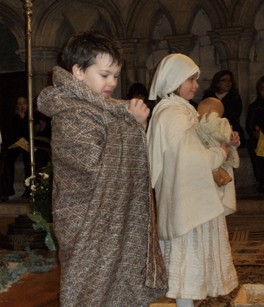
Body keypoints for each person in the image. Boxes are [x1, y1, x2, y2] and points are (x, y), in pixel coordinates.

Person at [37, 31, 167, 306]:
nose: (112, 82)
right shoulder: (71, 112)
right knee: (90, 293)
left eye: (116, 75)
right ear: (78, 71)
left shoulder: (108, 110)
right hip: (87, 223)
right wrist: (132, 126)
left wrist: (135, 126)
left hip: (114, 219)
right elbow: (91, 169)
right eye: (105, 74)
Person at [147, 53, 239, 307]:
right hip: (185, 200)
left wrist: (226, 143)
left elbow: (200, 143)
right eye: (191, 79)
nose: (196, 85)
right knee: (186, 260)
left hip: (194, 196)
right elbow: (186, 157)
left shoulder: (184, 111)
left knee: (193, 258)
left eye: (196, 80)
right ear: (175, 79)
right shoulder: (171, 115)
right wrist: (217, 154)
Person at [197, 97, 240, 203]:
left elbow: (226, 136)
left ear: (212, 112)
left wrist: (233, 140)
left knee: (218, 194)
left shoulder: (219, 123)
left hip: (220, 159)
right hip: (211, 160)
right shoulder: (201, 123)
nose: (198, 114)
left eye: (201, 111)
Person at [203, 70, 245, 146]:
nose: (228, 83)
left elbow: (233, 115)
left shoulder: (235, 97)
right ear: (217, 83)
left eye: (230, 80)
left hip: (231, 130)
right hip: (211, 132)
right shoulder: (208, 96)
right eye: (224, 80)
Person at [1, 96, 31, 201]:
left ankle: (29, 190)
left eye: (23, 103)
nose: (21, 106)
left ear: (27, 104)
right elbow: (13, 133)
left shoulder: (31, 116)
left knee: (28, 160)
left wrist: (24, 119)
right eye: (19, 104)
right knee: (8, 156)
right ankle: (8, 189)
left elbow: (30, 132)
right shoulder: (15, 118)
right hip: (19, 143)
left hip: (29, 143)